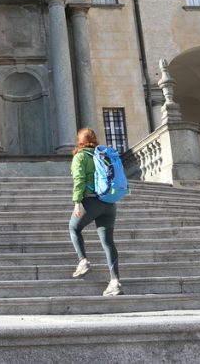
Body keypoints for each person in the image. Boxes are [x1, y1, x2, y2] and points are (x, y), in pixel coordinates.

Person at [69, 126, 123, 296]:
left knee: (74, 228)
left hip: (91, 201)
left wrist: (77, 202)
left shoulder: (80, 156)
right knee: (108, 242)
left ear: (80, 141)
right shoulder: (104, 155)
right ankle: (115, 281)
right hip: (109, 202)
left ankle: (83, 261)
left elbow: (79, 179)